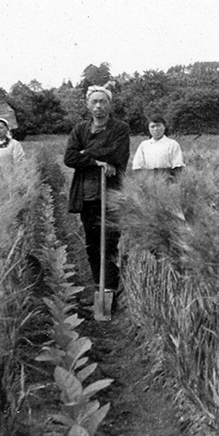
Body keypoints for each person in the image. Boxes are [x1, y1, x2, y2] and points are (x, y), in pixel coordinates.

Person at [64, 85, 130, 296]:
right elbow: (70, 157)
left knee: (109, 243)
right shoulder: (80, 130)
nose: (98, 106)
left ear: (110, 105)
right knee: (92, 245)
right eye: (94, 101)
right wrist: (97, 161)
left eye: (103, 101)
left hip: (111, 196)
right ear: (88, 105)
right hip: (87, 196)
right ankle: (97, 288)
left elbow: (118, 155)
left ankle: (109, 289)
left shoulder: (120, 128)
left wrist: (87, 152)